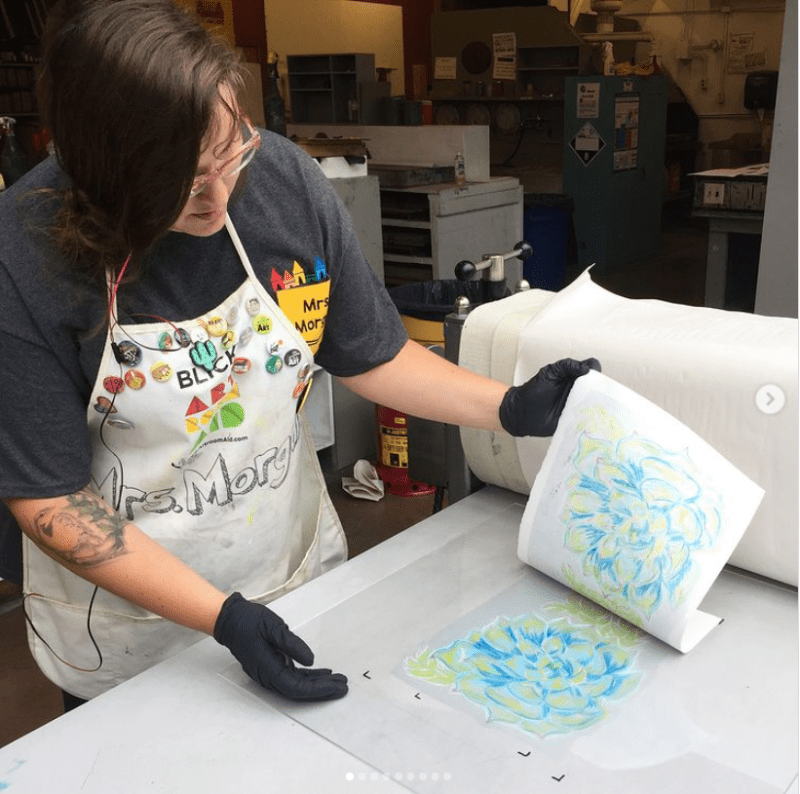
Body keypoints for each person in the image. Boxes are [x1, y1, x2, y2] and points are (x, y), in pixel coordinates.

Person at [0, 0, 599, 709]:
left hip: (287, 579)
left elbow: (371, 354)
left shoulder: (282, 185)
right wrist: (221, 616)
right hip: (130, 632)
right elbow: (52, 499)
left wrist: (508, 407)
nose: (220, 197)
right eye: (184, 183)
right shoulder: (25, 254)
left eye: (231, 153)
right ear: (100, 173)